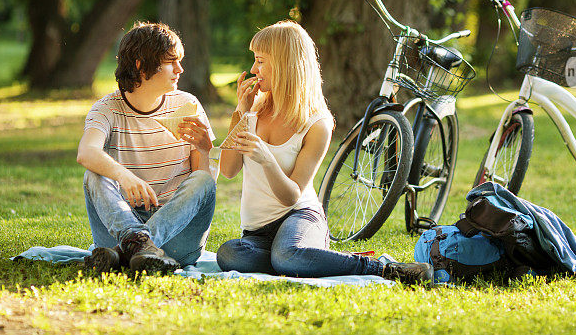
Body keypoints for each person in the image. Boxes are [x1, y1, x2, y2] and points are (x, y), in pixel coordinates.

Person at [190, 20, 431, 284]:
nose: (252, 69)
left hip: (300, 216)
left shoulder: (317, 123)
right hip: (257, 233)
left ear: (284, 64)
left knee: (287, 256)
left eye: (260, 61)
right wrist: (241, 111)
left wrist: (265, 158)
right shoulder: (254, 109)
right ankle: (301, 259)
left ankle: (381, 267)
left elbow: (291, 195)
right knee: (229, 255)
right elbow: (228, 169)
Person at [76, 22, 216, 274]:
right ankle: (138, 245)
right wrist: (124, 176)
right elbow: (86, 152)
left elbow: (200, 186)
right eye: (171, 61)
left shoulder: (188, 104)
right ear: (141, 64)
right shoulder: (107, 108)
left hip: (177, 237)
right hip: (119, 225)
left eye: (179, 61)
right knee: (94, 173)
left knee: (203, 181)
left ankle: (125, 252)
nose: (180, 69)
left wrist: (204, 151)